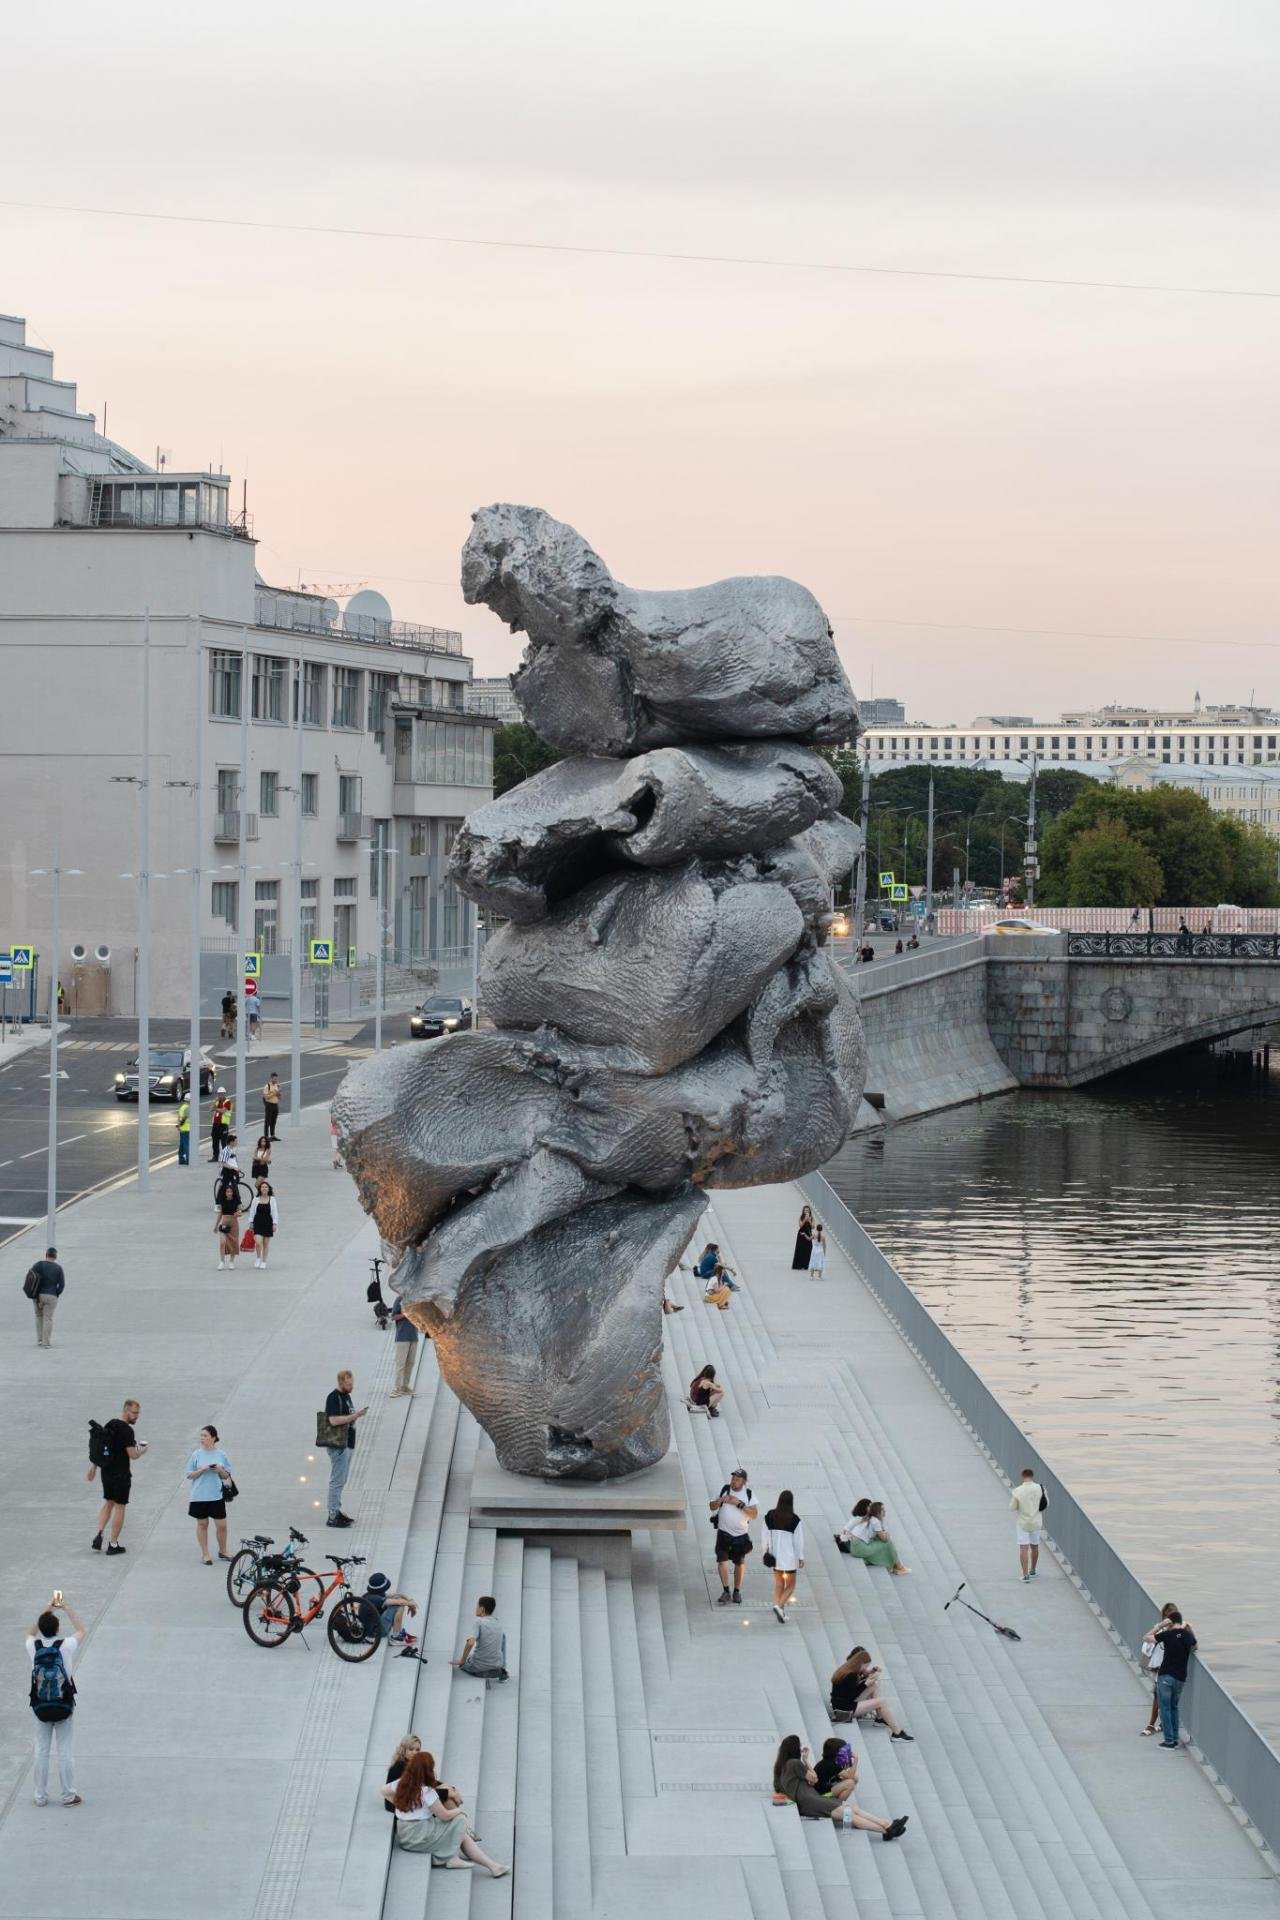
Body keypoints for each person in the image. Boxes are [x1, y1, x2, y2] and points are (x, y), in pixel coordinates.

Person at [381, 1749, 510, 1874]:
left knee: (462, 1835)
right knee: (460, 1820)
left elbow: (383, 1791)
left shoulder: (401, 1783)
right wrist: (460, 1811)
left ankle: (493, 1866)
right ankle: (451, 1858)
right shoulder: (426, 1791)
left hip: (404, 1835)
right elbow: (445, 1815)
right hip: (419, 1836)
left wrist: (399, 1804)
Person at [772, 1734, 907, 1839]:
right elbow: (814, 1778)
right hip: (810, 1801)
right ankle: (887, 1829)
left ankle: (887, 1824)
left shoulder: (780, 1767)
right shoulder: (795, 1763)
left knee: (851, 1809)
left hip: (810, 1798)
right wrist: (806, 1760)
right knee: (849, 1814)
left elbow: (780, 1787)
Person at [27, 1592, 85, 1807]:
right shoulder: (66, 1645)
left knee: (41, 1750)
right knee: (65, 1752)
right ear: (58, 1629)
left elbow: (30, 1633)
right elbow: (81, 1630)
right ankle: (69, 1795)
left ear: (42, 1628)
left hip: (40, 1706)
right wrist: (65, 1607)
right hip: (64, 1705)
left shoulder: (33, 1647)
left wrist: (48, 1607)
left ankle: (40, 1796)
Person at [87, 1398, 146, 1553]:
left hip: (106, 1472)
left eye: (138, 1413)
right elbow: (132, 1455)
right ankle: (113, 1545)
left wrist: (93, 1467)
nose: (136, 1416)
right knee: (120, 1507)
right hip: (121, 1474)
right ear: (126, 1411)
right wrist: (142, 1451)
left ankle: (99, 1535)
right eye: (134, 1413)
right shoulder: (127, 1431)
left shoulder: (110, 1424)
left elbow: (100, 1447)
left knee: (108, 1503)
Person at [829, 1647, 914, 1739]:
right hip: (844, 1712)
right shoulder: (851, 1675)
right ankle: (897, 1733)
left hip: (841, 1706)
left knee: (874, 1685)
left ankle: (880, 1718)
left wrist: (868, 1677)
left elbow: (849, 1690)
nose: (866, 1668)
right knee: (881, 1701)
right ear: (860, 1664)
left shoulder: (846, 1669)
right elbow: (851, 1696)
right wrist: (865, 1684)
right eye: (865, 1666)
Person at [185, 1424, 235, 1564]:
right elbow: (189, 1475)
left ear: (213, 1438)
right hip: (199, 1496)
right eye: (201, 1436)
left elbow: (226, 1475)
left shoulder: (221, 1454)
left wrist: (219, 1470)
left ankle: (223, 1551)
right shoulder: (196, 1454)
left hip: (216, 1495)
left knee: (222, 1525)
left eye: (205, 1436)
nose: (202, 1438)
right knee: (202, 1524)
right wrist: (201, 1470)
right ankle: (205, 1554)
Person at [324, 1369, 367, 1527]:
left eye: (352, 1383)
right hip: (338, 1445)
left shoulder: (346, 1396)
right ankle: (332, 1515)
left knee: (342, 1480)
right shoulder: (334, 1398)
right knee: (337, 1481)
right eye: (349, 1384)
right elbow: (333, 1420)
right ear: (341, 1383)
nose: (352, 1386)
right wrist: (354, 1416)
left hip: (347, 1443)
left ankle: (337, 1510)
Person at [1152, 1607, 1197, 1750]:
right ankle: (1175, 1739)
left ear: (1170, 1622)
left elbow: (1146, 1637)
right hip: (1180, 1678)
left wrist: (1160, 1626)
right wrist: (1188, 1629)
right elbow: (1195, 1646)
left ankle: (1169, 1741)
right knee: (1174, 1707)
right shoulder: (1186, 1635)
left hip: (1166, 1676)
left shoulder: (1167, 1634)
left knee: (1164, 1708)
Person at [710, 1469, 757, 1605]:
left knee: (739, 1563)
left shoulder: (749, 1494)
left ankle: (736, 1591)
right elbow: (711, 1507)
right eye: (733, 1478)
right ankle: (726, 1591)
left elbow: (754, 1515)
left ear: (743, 1481)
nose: (733, 1481)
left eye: (737, 1479)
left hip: (740, 1536)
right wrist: (719, 1501)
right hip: (723, 1533)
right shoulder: (724, 1489)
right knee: (722, 1562)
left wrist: (738, 1504)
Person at [762, 1489, 805, 1624]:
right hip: (789, 1558)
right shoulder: (795, 1519)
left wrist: (765, 1552)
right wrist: (801, 1558)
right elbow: (798, 1542)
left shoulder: (769, 1516)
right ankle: (779, 1607)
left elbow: (764, 1536)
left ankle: (779, 1608)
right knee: (791, 1585)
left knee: (779, 1584)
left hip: (775, 1557)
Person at [836, 1499, 910, 1575]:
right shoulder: (875, 1521)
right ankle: (899, 1567)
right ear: (877, 1511)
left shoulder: (870, 1518)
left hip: (855, 1547)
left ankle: (895, 1565)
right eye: (883, 1510)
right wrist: (887, 1534)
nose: (885, 1511)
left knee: (879, 1540)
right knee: (888, 1543)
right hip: (859, 1548)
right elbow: (884, 1539)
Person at [1140, 1602, 1182, 1736]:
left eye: (1171, 1616)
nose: (1168, 1619)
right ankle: (1161, 1724)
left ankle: (1153, 1724)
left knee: (1160, 1696)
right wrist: (1160, 1626)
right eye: (1166, 1615)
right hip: (1160, 1668)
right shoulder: (1161, 1631)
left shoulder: (1179, 1632)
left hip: (1170, 1670)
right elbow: (1146, 1640)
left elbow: (1192, 1645)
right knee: (1160, 1696)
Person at [451, 1594, 508, 1678]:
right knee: (502, 1638)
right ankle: (499, 1670)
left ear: (482, 1609)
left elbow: (470, 1643)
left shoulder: (479, 1622)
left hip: (478, 1666)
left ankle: (482, 1672)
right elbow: (502, 1644)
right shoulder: (498, 1623)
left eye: (477, 1606)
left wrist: (462, 1661)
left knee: (466, 1662)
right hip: (497, 1664)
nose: (476, 1608)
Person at [364, 1572, 420, 1652]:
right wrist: (411, 1604)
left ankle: (399, 1633)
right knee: (398, 1605)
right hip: (376, 1631)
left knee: (397, 1599)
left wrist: (409, 1600)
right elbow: (399, 1602)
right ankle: (396, 1637)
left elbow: (397, 1595)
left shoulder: (373, 1594)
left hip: (376, 1625)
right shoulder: (374, 1598)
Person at [1009, 1466, 1046, 1581]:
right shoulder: (1041, 1488)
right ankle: (1033, 1570)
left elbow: (1012, 1507)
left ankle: (1025, 1575)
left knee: (1023, 1548)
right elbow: (1046, 1504)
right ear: (1032, 1476)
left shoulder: (1018, 1491)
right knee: (1035, 1546)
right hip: (1036, 1522)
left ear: (1022, 1476)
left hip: (1023, 1523)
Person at [26, 1245, 65, 1348]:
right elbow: (62, 1285)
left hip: (38, 1296)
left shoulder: (39, 1265)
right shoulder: (58, 1268)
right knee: (48, 1318)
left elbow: (30, 1277)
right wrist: (56, 1294)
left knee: (39, 1316)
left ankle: (39, 1340)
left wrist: (33, 1293)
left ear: (46, 1255)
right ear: (55, 1257)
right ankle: (46, 1342)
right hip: (51, 1296)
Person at [214, 1167, 244, 1271]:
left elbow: (240, 1212)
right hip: (224, 1222)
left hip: (234, 1223)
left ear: (233, 1192)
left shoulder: (237, 1201)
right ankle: (222, 1261)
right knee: (222, 1242)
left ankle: (231, 1261)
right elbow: (220, 1213)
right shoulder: (223, 1200)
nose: (229, 1193)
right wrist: (216, 1225)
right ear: (225, 1192)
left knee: (234, 1242)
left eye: (231, 1191)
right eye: (227, 1191)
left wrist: (238, 1213)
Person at [390, 1295, 419, 1396]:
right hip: (402, 1337)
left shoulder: (416, 1299)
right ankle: (397, 1388)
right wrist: (406, 1314)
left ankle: (405, 1386)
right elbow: (393, 1316)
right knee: (400, 1364)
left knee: (410, 1363)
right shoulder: (400, 1299)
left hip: (414, 1336)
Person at [385, 1733, 422, 1813]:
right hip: (397, 1805)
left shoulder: (413, 1763)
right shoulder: (399, 1766)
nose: (415, 1752)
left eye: (417, 1750)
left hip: (410, 1800)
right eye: (411, 1749)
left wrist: (443, 1786)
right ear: (404, 1750)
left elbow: (426, 1781)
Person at [251, 1179, 279, 1268]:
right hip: (258, 1222)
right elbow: (252, 1211)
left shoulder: (272, 1199)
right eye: (262, 1187)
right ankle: (258, 1257)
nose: (264, 1188)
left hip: (268, 1222)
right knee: (258, 1242)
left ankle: (264, 1261)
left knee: (266, 1243)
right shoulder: (256, 1199)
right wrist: (251, 1221)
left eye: (266, 1187)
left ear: (268, 1189)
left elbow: (275, 1212)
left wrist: (275, 1223)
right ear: (259, 1189)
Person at [210, 1087, 232, 1162]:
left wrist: (215, 1108)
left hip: (223, 1125)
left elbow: (223, 1111)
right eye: (219, 1094)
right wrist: (214, 1102)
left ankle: (225, 1158)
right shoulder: (217, 1102)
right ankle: (215, 1156)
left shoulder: (227, 1102)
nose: (220, 1096)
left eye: (221, 1094)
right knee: (214, 1141)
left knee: (224, 1142)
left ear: (224, 1094)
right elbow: (211, 1109)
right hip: (215, 1124)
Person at [791, 1205, 815, 1271]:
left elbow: (813, 1227)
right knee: (800, 1249)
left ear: (809, 1211)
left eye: (807, 1210)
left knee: (809, 1249)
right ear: (803, 1211)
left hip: (808, 1234)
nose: (806, 1211)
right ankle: (799, 1265)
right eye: (805, 1210)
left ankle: (806, 1265)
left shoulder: (812, 1218)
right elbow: (800, 1226)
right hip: (801, 1234)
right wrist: (805, 1219)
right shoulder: (801, 1217)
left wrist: (809, 1220)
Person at [262, 1072, 281, 1139]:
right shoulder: (267, 1086)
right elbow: (266, 1097)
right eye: (274, 1079)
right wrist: (274, 1093)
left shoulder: (277, 1085)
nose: (276, 1080)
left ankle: (272, 1135)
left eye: (276, 1079)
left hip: (275, 1104)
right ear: (271, 1078)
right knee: (267, 1121)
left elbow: (280, 1097)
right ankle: (266, 1136)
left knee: (274, 1120)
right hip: (269, 1104)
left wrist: (279, 1093)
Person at [175, 1092, 191, 1165]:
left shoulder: (182, 1107)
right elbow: (184, 1118)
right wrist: (179, 1125)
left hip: (183, 1129)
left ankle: (181, 1159)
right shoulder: (188, 1107)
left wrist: (178, 1125)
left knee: (182, 1144)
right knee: (186, 1145)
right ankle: (188, 1159)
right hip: (186, 1129)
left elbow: (180, 1118)